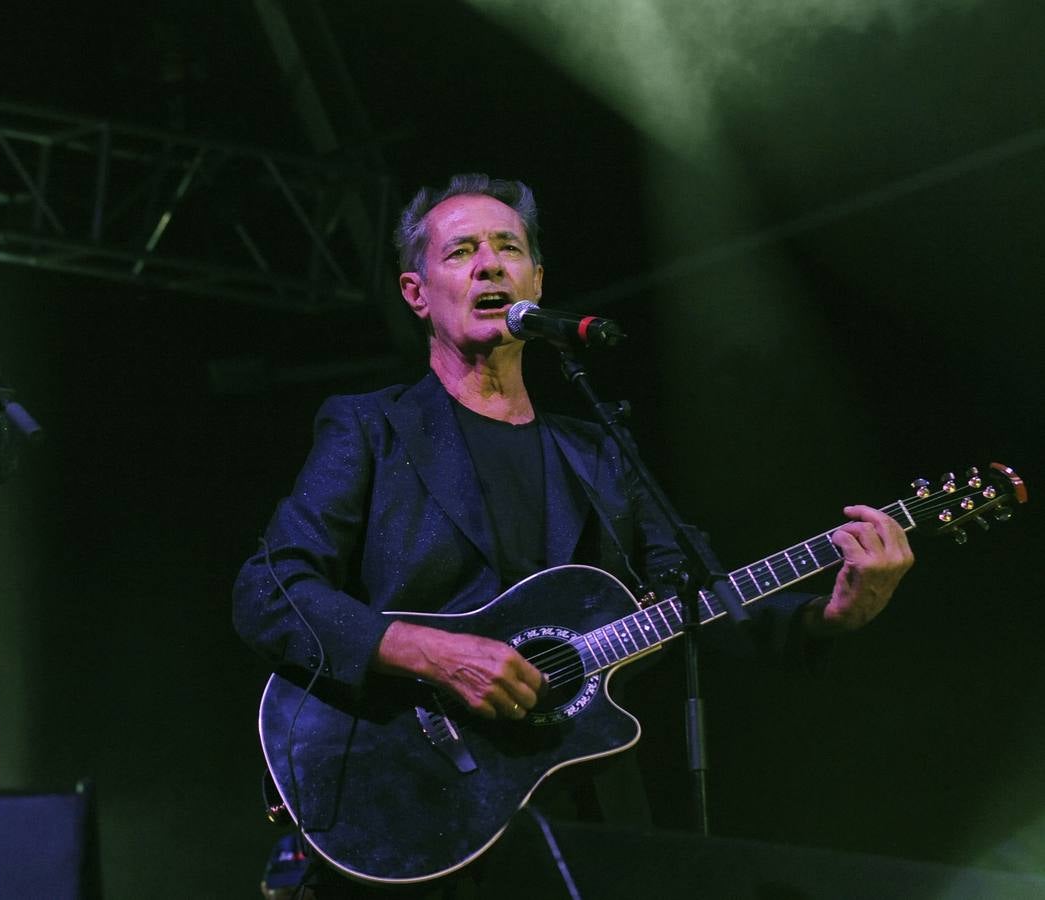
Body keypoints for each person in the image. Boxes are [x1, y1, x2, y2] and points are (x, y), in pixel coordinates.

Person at [233, 173, 915, 895]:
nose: (490, 263)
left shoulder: (596, 449)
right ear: (415, 293)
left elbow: (692, 595)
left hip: (582, 804)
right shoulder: (370, 428)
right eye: (461, 250)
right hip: (414, 794)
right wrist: (431, 652)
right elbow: (269, 590)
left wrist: (828, 616)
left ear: (536, 278)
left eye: (508, 248)